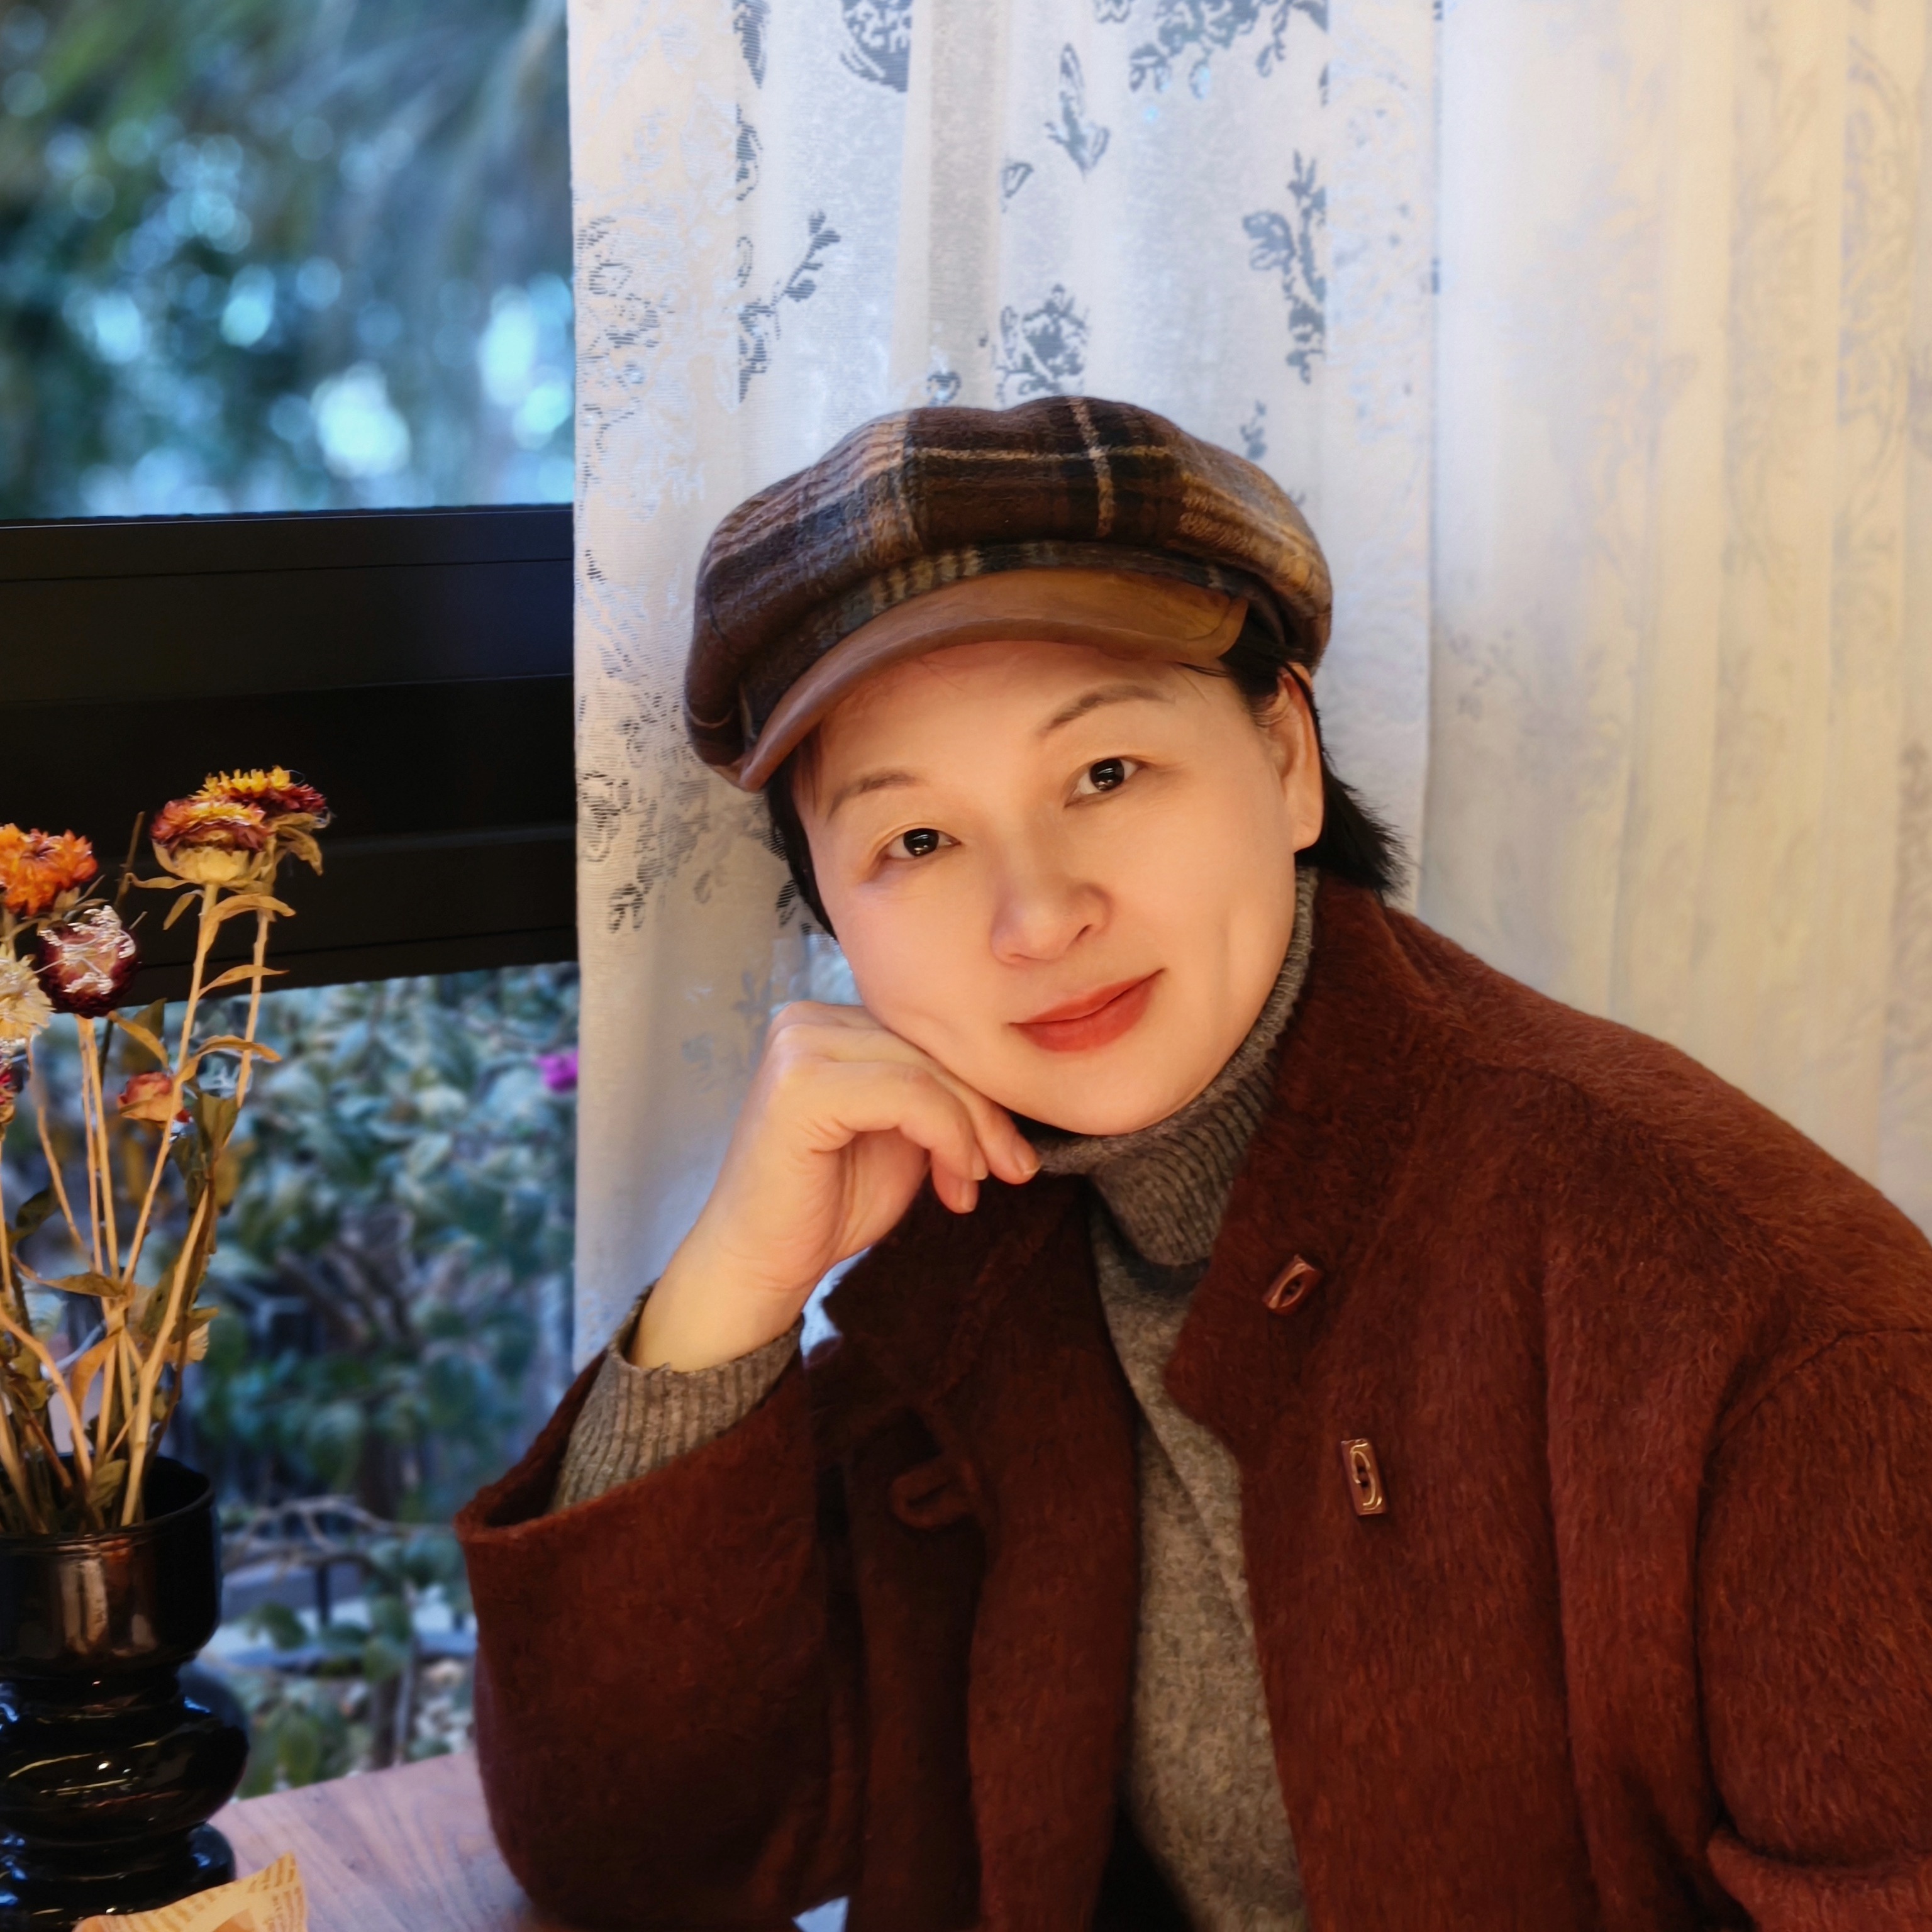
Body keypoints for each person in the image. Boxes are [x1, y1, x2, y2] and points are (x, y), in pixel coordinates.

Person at [457, 396, 1932, 1932]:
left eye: (1106, 772)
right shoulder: (982, 1250)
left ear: (1285, 756)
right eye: (917, 844)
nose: (1038, 918)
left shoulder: (1764, 1317)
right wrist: (733, 1295)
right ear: (835, 915)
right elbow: (641, 1855)